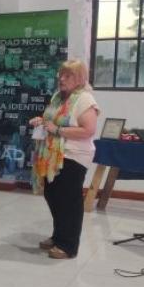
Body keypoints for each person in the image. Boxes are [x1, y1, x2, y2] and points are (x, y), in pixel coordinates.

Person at [29, 59, 100, 260]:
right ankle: (58, 236)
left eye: (67, 75)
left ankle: (68, 246)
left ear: (79, 79)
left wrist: (58, 130)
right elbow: (52, 121)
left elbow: (88, 130)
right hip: (54, 155)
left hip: (74, 155)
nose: (61, 78)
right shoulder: (58, 97)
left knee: (68, 200)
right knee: (53, 196)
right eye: (61, 74)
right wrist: (41, 122)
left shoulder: (85, 99)